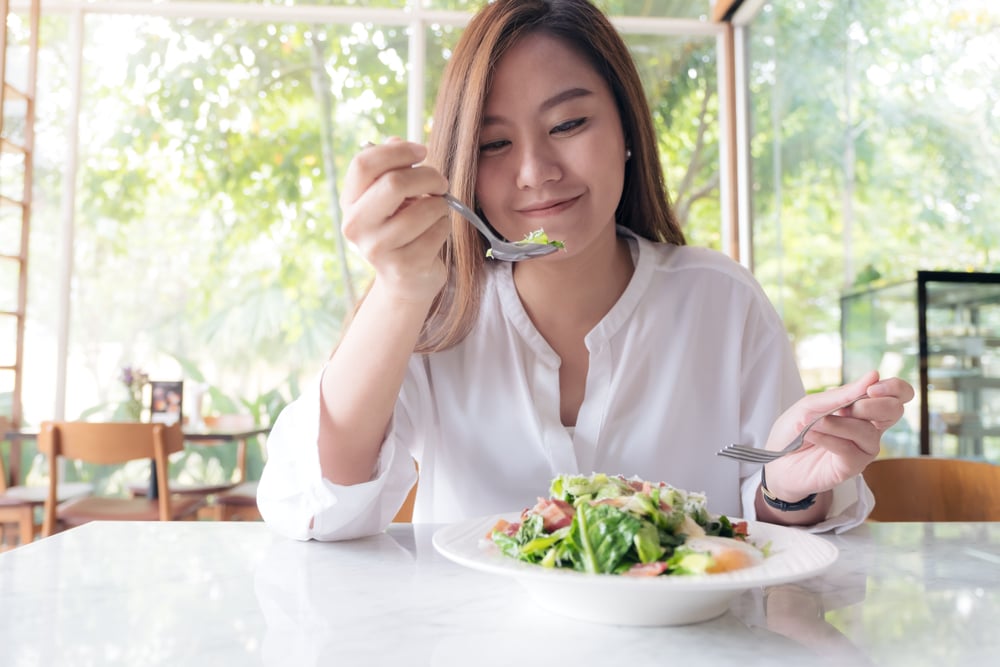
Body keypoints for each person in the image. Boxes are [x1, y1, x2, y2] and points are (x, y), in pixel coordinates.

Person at [257, 0, 914, 541]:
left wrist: (784, 488)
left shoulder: (721, 301)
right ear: (462, 165)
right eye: (495, 143)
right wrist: (400, 290)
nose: (535, 172)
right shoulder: (434, 311)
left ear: (627, 130)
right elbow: (322, 509)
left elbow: (772, 515)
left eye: (568, 123)